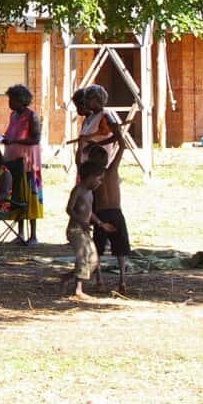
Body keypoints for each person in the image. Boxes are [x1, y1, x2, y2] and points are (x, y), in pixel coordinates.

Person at [0, 84, 43, 246]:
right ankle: (20, 233)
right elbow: (11, 134)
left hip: (28, 162)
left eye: (12, 99)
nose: (10, 103)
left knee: (29, 196)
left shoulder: (32, 116)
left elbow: (35, 139)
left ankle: (33, 235)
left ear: (21, 100)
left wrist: (15, 140)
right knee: (17, 194)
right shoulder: (13, 116)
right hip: (12, 160)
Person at [86, 144, 130, 294]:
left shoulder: (91, 178)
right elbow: (123, 146)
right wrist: (117, 133)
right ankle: (122, 280)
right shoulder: (113, 170)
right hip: (117, 213)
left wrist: (82, 142)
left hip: (102, 215)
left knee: (97, 250)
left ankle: (99, 280)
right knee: (121, 250)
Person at [63, 160, 104, 300]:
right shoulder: (78, 190)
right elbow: (69, 208)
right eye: (99, 179)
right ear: (90, 177)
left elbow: (89, 211)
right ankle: (78, 290)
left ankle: (68, 277)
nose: (100, 182)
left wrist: (99, 222)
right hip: (75, 229)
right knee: (83, 256)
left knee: (93, 259)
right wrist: (81, 221)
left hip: (85, 230)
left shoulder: (90, 193)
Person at [77, 84, 124, 166]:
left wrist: (97, 144)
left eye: (88, 98)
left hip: (98, 163)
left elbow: (117, 136)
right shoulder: (89, 117)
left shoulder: (105, 115)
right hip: (86, 162)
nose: (85, 101)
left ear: (96, 100)